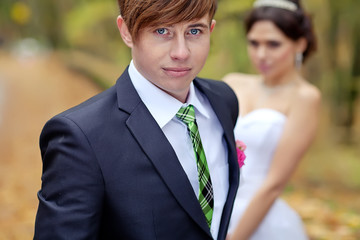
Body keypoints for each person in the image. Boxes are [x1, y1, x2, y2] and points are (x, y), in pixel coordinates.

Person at [34, 0, 240, 239]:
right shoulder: (81, 137)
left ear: (211, 30)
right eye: (162, 31)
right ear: (126, 32)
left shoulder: (223, 102)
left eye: (194, 31)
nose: (181, 53)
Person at [223, 0, 321, 239]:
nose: (261, 54)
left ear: (300, 44)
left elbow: (274, 184)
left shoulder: (305, 98)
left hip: (261, 221)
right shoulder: (232, 83)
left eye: (273, 44)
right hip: (216, 209)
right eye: (254, 43)